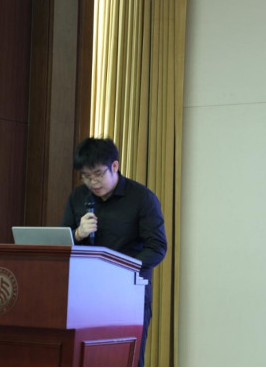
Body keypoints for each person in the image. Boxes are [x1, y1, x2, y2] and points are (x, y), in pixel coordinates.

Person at [60, 137, 167, 367]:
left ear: (115, 166)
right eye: (86, 176)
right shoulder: (77, 197)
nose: (92, 182)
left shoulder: (142, 198)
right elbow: (61, 245)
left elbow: (157, 248)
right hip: (84, 295)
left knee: (125, 360)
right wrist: (77, 233)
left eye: (98, 174)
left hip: (128, 294)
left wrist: (118, 271)